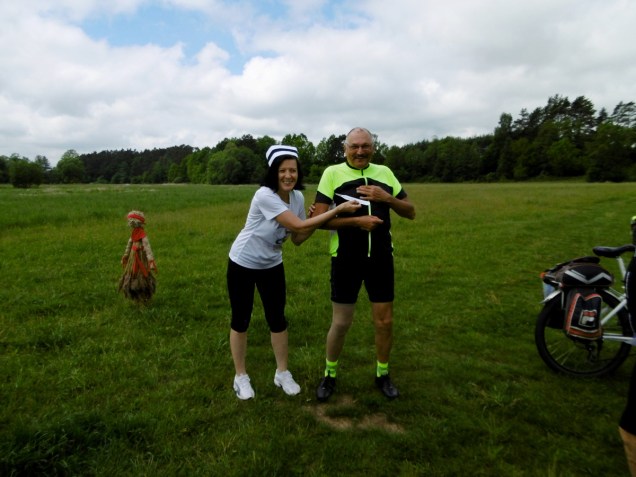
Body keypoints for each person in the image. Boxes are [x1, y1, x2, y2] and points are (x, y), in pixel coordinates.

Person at [227, 144, 361, 400]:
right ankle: (240, 376)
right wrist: (335, 211)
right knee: (241, 319)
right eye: (282, 171)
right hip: (243, 262)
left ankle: (282, 373)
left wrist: (313, 221)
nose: (288, 175)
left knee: (277, 319)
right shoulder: (264, 195)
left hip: (272, 264)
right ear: (273, 172)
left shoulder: (297, 198)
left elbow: (298, 237)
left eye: (293, 170)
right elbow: (298, 225)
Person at [312, 127, 416, 402]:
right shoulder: (332, 174)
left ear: (373, 148)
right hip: (345, 259)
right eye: (354, 146)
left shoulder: (385, 173)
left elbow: (411, 212)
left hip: (381, 259)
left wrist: (387, 198)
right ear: (345, 148)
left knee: (385, 321)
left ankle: (383, 374)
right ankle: (329, 374)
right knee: (341, 322)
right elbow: (318, 221)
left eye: (365, 146)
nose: (360, 151)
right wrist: (357, 222)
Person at [119, 210, 157, 302]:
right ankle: (134, 292)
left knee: (142, 272)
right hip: (133, 257)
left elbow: (147, 247)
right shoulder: (133, 233)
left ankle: (143, 292)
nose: (130, 223)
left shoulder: (142, 235)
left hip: (140, 256)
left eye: (131, 221)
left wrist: (151, 261)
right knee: (132, 272)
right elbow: (129, 245)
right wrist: (126, 255)